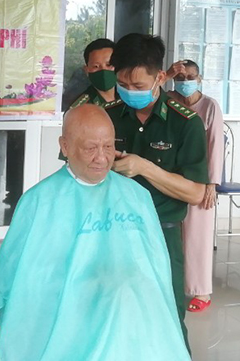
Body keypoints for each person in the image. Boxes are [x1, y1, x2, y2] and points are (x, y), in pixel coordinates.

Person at [0, 104, 189, 360]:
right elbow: (19, 282)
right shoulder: (39, 201)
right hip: (70, 319)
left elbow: (157, 272)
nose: (102, 158)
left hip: (133, 326)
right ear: (65, 146)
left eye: (108, 146)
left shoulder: (136, 196)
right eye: (90, 148)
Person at [107, 33, 209, 350]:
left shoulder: (185, 123)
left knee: (167, 316)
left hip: (161, 234)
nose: (130, 92)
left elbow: (195, 193)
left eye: (138, 86)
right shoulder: (108, 116)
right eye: (123, 84)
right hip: (111, 232)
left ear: (160, 77)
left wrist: (146, 167)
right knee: (114, 316)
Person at [167, 60, 224, 312]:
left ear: (199, 79)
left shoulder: (210, 106)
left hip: (200, 179)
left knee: (197, 236)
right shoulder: (167, 99)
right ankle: (173, 285)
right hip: (170, 176)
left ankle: (201, 291)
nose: (185, 81)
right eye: (180, 77)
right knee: (171, 233)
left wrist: (211, 183)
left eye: (190, 77)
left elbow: (215, 146)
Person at [69, 38, 121, 109]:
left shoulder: (128, 98)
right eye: (96, 66)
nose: (103, 70)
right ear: (86, 70)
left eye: (109, 65)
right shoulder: (79, 108)